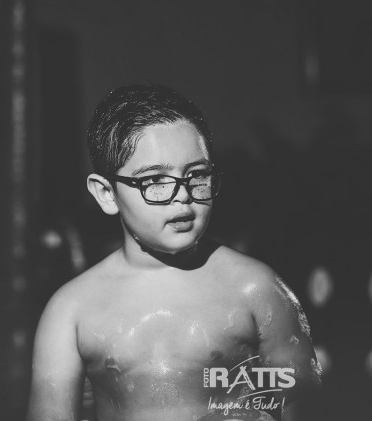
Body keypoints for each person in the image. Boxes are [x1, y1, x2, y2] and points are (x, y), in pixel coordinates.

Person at [26, 84, 321, 421]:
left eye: (197, 175)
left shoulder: (254, 288)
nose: (183, 195)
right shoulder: (73, 309)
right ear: (106, 193)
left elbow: (301, 397)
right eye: (155, 181)